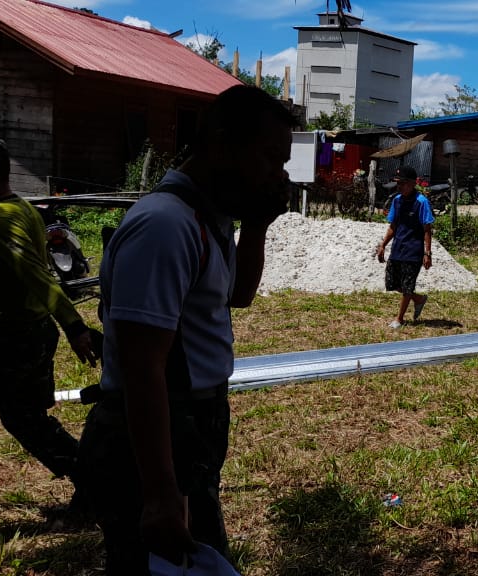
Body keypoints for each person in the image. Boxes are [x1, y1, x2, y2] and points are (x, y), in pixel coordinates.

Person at [76, 85, 292, 574]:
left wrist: (257, 226)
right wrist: (159, 492)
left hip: (190, 426)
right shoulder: (164, 226)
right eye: (271, 158)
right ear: (221, 143)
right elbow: (141, 367)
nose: (279, 175)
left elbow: (237, 295)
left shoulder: (206, 217)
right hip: (157, 434)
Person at [0, 136, 99, 507]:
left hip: (1, 341)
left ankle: (97, 484)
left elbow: (37, 275)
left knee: (23, 419)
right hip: (29, 335)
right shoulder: (14, 210)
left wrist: (75, 326)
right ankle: (95, 484)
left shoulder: (2, 218)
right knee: (26, 420)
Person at [373, 166, 433, 329]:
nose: (399, 187)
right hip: (398, 248)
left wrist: (427, 253)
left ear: (413, 183)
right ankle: (419, 299)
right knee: (392, 283)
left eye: (403, 183)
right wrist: (383, 245)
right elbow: (393, 225)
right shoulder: (397, 200)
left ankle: (399, 319)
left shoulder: (421, 202)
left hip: (414, 251)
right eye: (398, 183)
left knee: (407, 285)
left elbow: (427, 229)